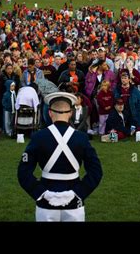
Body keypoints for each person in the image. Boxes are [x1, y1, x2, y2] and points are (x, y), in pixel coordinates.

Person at [17, 92, 103, 222]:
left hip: (46, 201)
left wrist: (41, 193)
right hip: (74, 202)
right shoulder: (81, 138)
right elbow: (96, 171)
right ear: (70, 113)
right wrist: (79, 193)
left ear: (50, 113)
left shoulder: (38, 137)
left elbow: (23, 172)